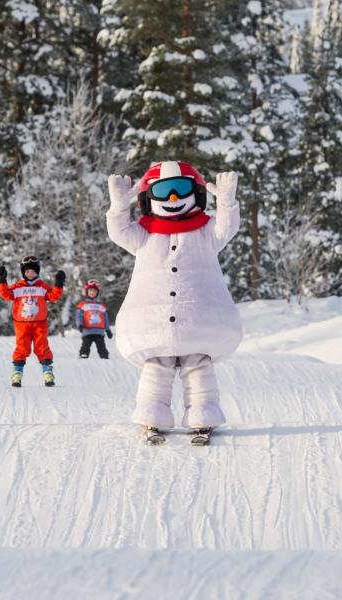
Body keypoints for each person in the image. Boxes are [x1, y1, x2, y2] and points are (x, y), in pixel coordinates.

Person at [106, 161, 243, 445]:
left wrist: (227, 203)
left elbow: (226, 229)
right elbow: (119, 233)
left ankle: (203, 413)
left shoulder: (205, 232)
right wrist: (118, 207)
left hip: (197, 321)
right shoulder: (144, 234)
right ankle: (152, 415)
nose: (172, 199)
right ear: (147, 198)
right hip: (154, 324)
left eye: (180, 189)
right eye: (163, 191)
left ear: (195, 192)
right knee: (156, 366)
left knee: (198, 366)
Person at [0, 256, 65, 387]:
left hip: (40, 324)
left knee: (42, 347)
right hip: (22, 325)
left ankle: (48, 373)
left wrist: (58, 284)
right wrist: (1, 281)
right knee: (22, 348)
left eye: (33, 271)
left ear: (37, 272)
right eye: (27, 271)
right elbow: (5, 294)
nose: (30, 273)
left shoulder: (42, 287)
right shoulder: (17, 287)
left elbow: (54, 296)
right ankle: (17, 374)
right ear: (23, 273)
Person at [75, 279, 112, 359]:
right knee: (86, 344)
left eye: (94, 291)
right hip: (87, 330)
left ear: (97, 292)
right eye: (90, 290)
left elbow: (105, 318)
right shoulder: (83, 305)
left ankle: (104, 357)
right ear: (86, 292)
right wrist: (80, 325)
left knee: (101, 345)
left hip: (99, 331)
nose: (92, 292)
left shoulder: (101, 306)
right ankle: (83, 355)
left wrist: (108, 330)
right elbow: (79, 316)